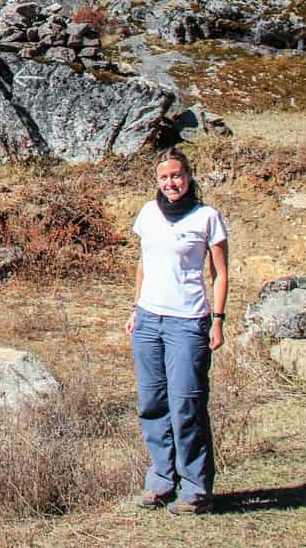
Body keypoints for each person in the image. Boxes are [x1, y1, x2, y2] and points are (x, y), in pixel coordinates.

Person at [123, 147, 229, 515]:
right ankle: (162, 481)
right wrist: (136, 308)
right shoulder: (148, 214)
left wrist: (218, 319)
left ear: (189, 177)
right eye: (164, 177)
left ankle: (196, 489)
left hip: (188, 322)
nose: (171, 183)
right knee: (152, 405)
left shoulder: (207, 218)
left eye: (177, 176)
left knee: (186, 404)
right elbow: (144, 264)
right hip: (149, 320)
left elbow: (220, 274)